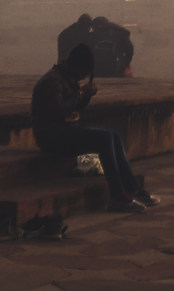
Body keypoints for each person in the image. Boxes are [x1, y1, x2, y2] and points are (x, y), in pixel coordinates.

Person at [31, 45, 155, 212]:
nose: (83, 77)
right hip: (51, 137)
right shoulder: (52, 81)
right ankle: (117, 195)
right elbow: (59, 111)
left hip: (64, 132)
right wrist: (80, 96)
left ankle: (132, 188)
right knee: (104, 139)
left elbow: (72, 108)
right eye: (83, 73)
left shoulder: (66, 79)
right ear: (76, 66)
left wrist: (85, 97)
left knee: (114, 137)